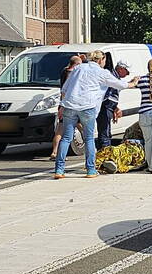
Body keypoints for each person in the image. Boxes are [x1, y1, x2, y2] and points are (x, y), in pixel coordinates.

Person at [54, 50, 137, 179]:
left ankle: (59, 169)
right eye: (104, 60)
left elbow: (65, 89)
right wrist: (134, 83)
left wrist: (62, 105)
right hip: (88, 106)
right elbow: (120, 85)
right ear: (100, 60)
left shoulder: (78, 68)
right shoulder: (102, 72)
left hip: (70, 105)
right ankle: (91, 169)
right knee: (88, 138)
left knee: (66, 138)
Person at [51, 55, 83, 159]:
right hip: (72, 104)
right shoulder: (74, 74)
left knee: (60, 130)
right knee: (81, 128)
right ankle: (90, 146)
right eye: (80, 64)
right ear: (77, 65)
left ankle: (54, 152)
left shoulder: (64, 72)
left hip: (62, 104)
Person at [95, 60, 130, 149]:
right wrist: (111, 106)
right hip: (105, 107)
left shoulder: (114, 77)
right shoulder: (111, 77)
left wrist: (115, 107)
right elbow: (107, 95)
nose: (128, 74)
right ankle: (104, 154)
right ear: (121, 69)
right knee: (104, 131)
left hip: (107, 106)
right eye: (127, 71)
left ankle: (105, 152)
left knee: (106, 131)